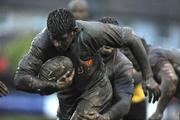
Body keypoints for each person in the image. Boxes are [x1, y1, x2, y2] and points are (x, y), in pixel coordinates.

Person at [14, 9, 158, 120]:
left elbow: (130, 37)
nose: (57, 44)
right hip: (67, 95)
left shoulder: (93, 32)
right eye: (53, 39)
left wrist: (148, 76)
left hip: (95, 90)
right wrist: (53, 85)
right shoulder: (42, 43)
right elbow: (20, 79)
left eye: (62, 39)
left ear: (74, 32)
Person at [98, 16, 147, 120]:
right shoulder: (114, 47)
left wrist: (134, 75)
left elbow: (143, 73)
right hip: (114, 98)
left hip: (136, 99)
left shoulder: (136, 51)